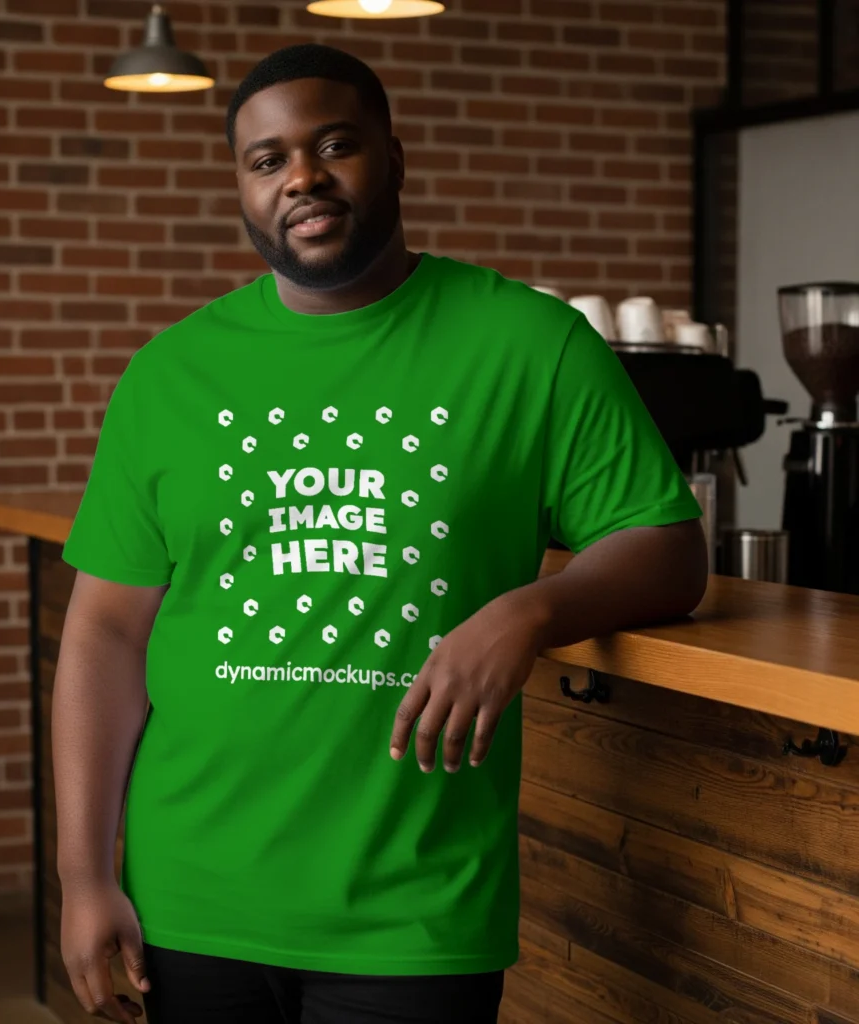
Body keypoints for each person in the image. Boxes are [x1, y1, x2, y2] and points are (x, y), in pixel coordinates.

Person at [53, 43, 708, 1024]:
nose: (302, 177)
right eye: (266, 159)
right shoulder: (168, 375)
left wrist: (528, 611)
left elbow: (666, 546)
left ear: (393, 159)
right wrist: (82, 875)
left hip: (414, 903)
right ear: (241, 186)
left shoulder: (527, 345)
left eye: (333, 145)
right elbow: (106, 632)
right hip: (190, 893)